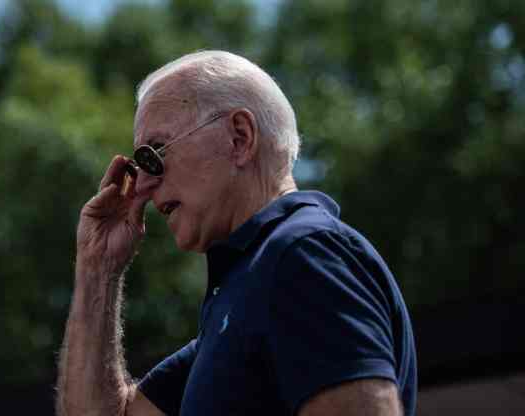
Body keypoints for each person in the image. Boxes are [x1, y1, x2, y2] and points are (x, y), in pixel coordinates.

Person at [55, 50, 417, 416]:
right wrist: (97, 268)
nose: (143, 185)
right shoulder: (251, 288)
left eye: (154, 153)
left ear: (239, 138)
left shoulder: (302, 254)